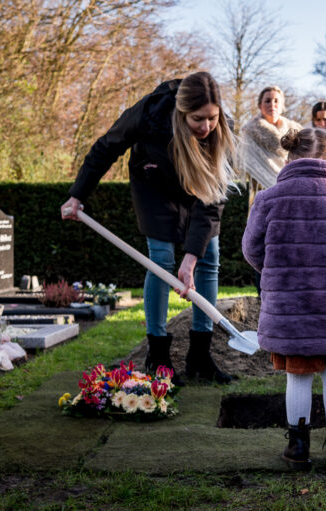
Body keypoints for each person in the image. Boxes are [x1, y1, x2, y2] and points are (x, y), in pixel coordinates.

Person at [61, 72, 234, 384]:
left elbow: (212, 205)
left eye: (212, 118)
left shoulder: (221, 133)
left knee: (210, 256)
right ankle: (158, 354)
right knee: (161, 259)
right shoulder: (150, 112)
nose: (206, 127)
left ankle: (200, 355)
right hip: (153, 184)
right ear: (181, 113)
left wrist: (192, 258)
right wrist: (77, 195)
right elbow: (106, 147)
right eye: (197, 119)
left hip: (198, 188)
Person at [242, 127, 326, 472]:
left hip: (290, 306)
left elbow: (251, 250)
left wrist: (276, 269)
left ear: (289, 156)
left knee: (298, 375)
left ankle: (297, 449)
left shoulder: (269, 199)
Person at [239, 86, 302, 293]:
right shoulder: (249, 130)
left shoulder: (296, 130)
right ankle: (264, 298)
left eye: (276, 100)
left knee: (291, 248)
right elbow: (246, 164)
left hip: (293, 199)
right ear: (259, 105)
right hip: (262, 197)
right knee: (263, 249)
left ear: (282, 104)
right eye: (267, 100)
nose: (272, 105)